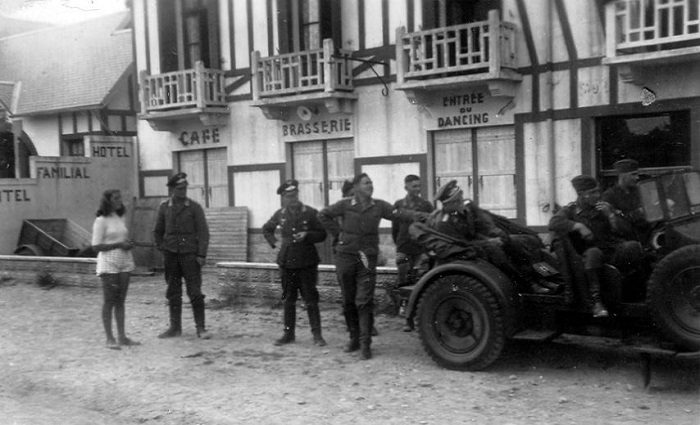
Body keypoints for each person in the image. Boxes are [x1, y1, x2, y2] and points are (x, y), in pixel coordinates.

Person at [319, 173, 414, 360]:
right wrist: (338, 234)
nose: (370, 185)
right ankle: (354, 338)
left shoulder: (379, 206)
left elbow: (400, 214)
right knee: (348, 301)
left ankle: (365, 344)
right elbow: (323, 215)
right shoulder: (345, 205)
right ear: (355, 187)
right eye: (366, 183)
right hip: (345, 256)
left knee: (364, 300)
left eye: (371, 182)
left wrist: (424, 215)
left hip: (366, 258)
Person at [425, 180, 555, 295]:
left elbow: (482, 225)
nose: (461, 202)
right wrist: (488, 241)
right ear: (447, 204)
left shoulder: (465, 210)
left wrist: (499, 236)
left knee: (515, 242)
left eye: (460, 197)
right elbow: (461, 243)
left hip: (477, 242)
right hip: (464, 250)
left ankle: (540, 278)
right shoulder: (444, 222)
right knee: (496, 252)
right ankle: (527, 284)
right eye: (457, 200)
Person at [549, 175, 644, 318]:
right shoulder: (570, 211)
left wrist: (611, 215)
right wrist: (578, 225)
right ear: (581, 195)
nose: (597, 195)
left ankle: (631, 291)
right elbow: (554, 222)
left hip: (610, 252)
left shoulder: (603, 207)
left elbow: (626, 230)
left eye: (598, 191)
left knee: (633, 246)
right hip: (587, 256)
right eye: (592, 192)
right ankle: (596, 303)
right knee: (594, 253)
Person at [262, 179, 328, 347]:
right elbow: (267, 229)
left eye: (294, 195)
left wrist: (307, 235)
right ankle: (288, 334)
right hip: (287, 262)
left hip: (307, 262)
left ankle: (317, 335)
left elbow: (322, 234)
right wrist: (274, 243)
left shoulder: (310, 213)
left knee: (311, 299)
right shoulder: (280, 214)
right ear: (283, 198)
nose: (292, 198)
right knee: (288, 299)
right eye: (288, 196)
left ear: (298, 194)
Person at [153, 172, 211, 339]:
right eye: (179, 188)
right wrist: (162, 248)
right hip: (171, 256)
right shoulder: (164, 207)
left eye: (185, 188)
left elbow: (203, 233)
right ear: (172, 189)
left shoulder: (194, 207)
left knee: (195, 292)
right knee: (173, 292)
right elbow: (157, 231)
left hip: (190, 256)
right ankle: (175, 328)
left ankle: (201, 328)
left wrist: (201, 254)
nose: (183, 191)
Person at [91, 189, 139, 350]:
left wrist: (127, 243)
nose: (120, 200)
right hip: (108, 262)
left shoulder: (120, 217)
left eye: (120, 197)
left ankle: (122, 337)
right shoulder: (101, 220)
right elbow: (96, 246)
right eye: (116, 198)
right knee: (109, 301)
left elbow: (121, 238)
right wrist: (119, 244)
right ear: (108, 201)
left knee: (120, 301)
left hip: (125, 260)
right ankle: (109, 338)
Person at [391, 174, 433, 330]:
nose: (417, 189)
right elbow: (395, 229)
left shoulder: (426, 205)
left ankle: (417, 317)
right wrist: (399, 245)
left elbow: (430, 227)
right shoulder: (399, 204)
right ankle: (406, 320)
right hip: (403, 248)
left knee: (417, 282)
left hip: (419, 249)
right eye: (414, 186)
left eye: (418, 186)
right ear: (406, 187)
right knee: (403, 281)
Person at [602, 159, 651, 244]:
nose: (637, 177)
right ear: (622, 176)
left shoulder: (639, 191)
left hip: (646, 233)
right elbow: (617, 222)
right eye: (633, 174)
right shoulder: (609, 196)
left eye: (637, 174)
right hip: (626, 239)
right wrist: (640, 212)